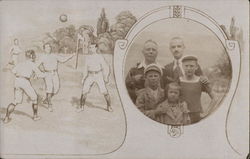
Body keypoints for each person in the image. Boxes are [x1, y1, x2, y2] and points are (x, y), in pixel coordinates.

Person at [3, 50, 45, 123]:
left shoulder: (20, 63)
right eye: (34, 55)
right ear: (31, 56)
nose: (35, 57)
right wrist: (47, 74)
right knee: (35, 98)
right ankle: (35, 116)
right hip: (25, 81)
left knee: (16, 101)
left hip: (17, 81)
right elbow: (40, 74)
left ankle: (6, 118)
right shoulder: (32, 64)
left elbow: (13, 71)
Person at [36, 43, 75, 112]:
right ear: (44, 49)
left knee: (56, 89)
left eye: (49, 47)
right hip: (47, 74)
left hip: (55, 74)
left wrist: (71, 56)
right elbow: (36, 66)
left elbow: (62, 60)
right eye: (47, 47)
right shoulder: (42, 57)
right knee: (49, 89)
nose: (48, 48)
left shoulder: (54, 55)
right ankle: (49, 105)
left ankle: (46, 100)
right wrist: (39, 72)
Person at [76, 43, 112, 112]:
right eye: (90, 47)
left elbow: (106, 67)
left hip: (98, 75)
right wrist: (84, 78)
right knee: (84, 91)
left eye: (92, 47)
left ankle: (109, 106)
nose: (91, 49)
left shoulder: (100, 57)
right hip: (90, 75)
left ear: (96, 48)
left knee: (104, 91)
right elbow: (85, 68)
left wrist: (106, 77)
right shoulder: (88, 57)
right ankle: (81, 107)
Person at [179, 55, 214, 123]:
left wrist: (206, 113)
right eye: (186, 66)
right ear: (182, 67)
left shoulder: (201, 81)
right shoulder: (178, 80)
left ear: (196, 67)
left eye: (191, 66)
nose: (189, 68)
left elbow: (215, 98)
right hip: (181, 115)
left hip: (197, 115)